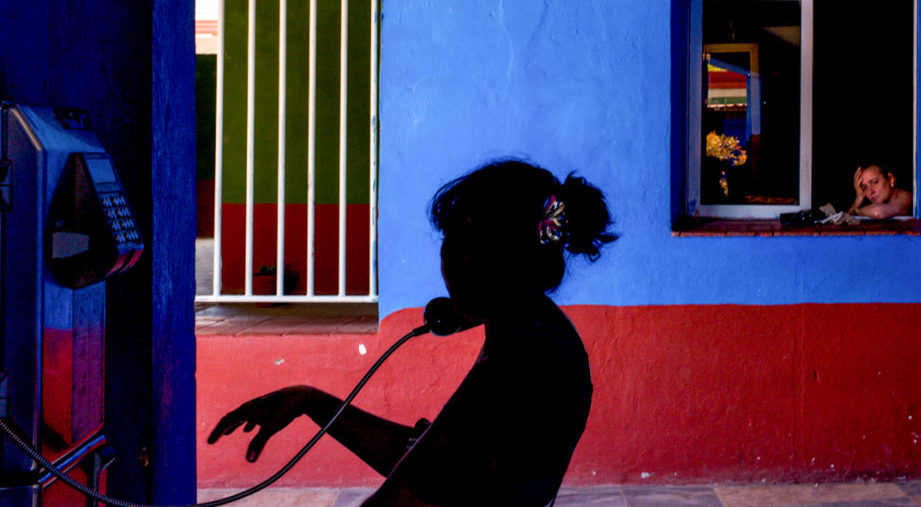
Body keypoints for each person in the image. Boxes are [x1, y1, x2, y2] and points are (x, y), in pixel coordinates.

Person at [207, 160, 617, 507]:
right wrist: (310, 401)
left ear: (479, 253)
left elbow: (413, 489)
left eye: (453, 240)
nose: (446, 259)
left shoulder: (528, 361)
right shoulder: (528, 335)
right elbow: (429, 461)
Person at [847, 163, 913, 219]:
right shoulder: (870, 206)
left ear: (890, 180)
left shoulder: (906, 197)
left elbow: (878, 212)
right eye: (865, 188)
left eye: (875, 182)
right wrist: (859, 197)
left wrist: (856, 211)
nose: (871, 191)